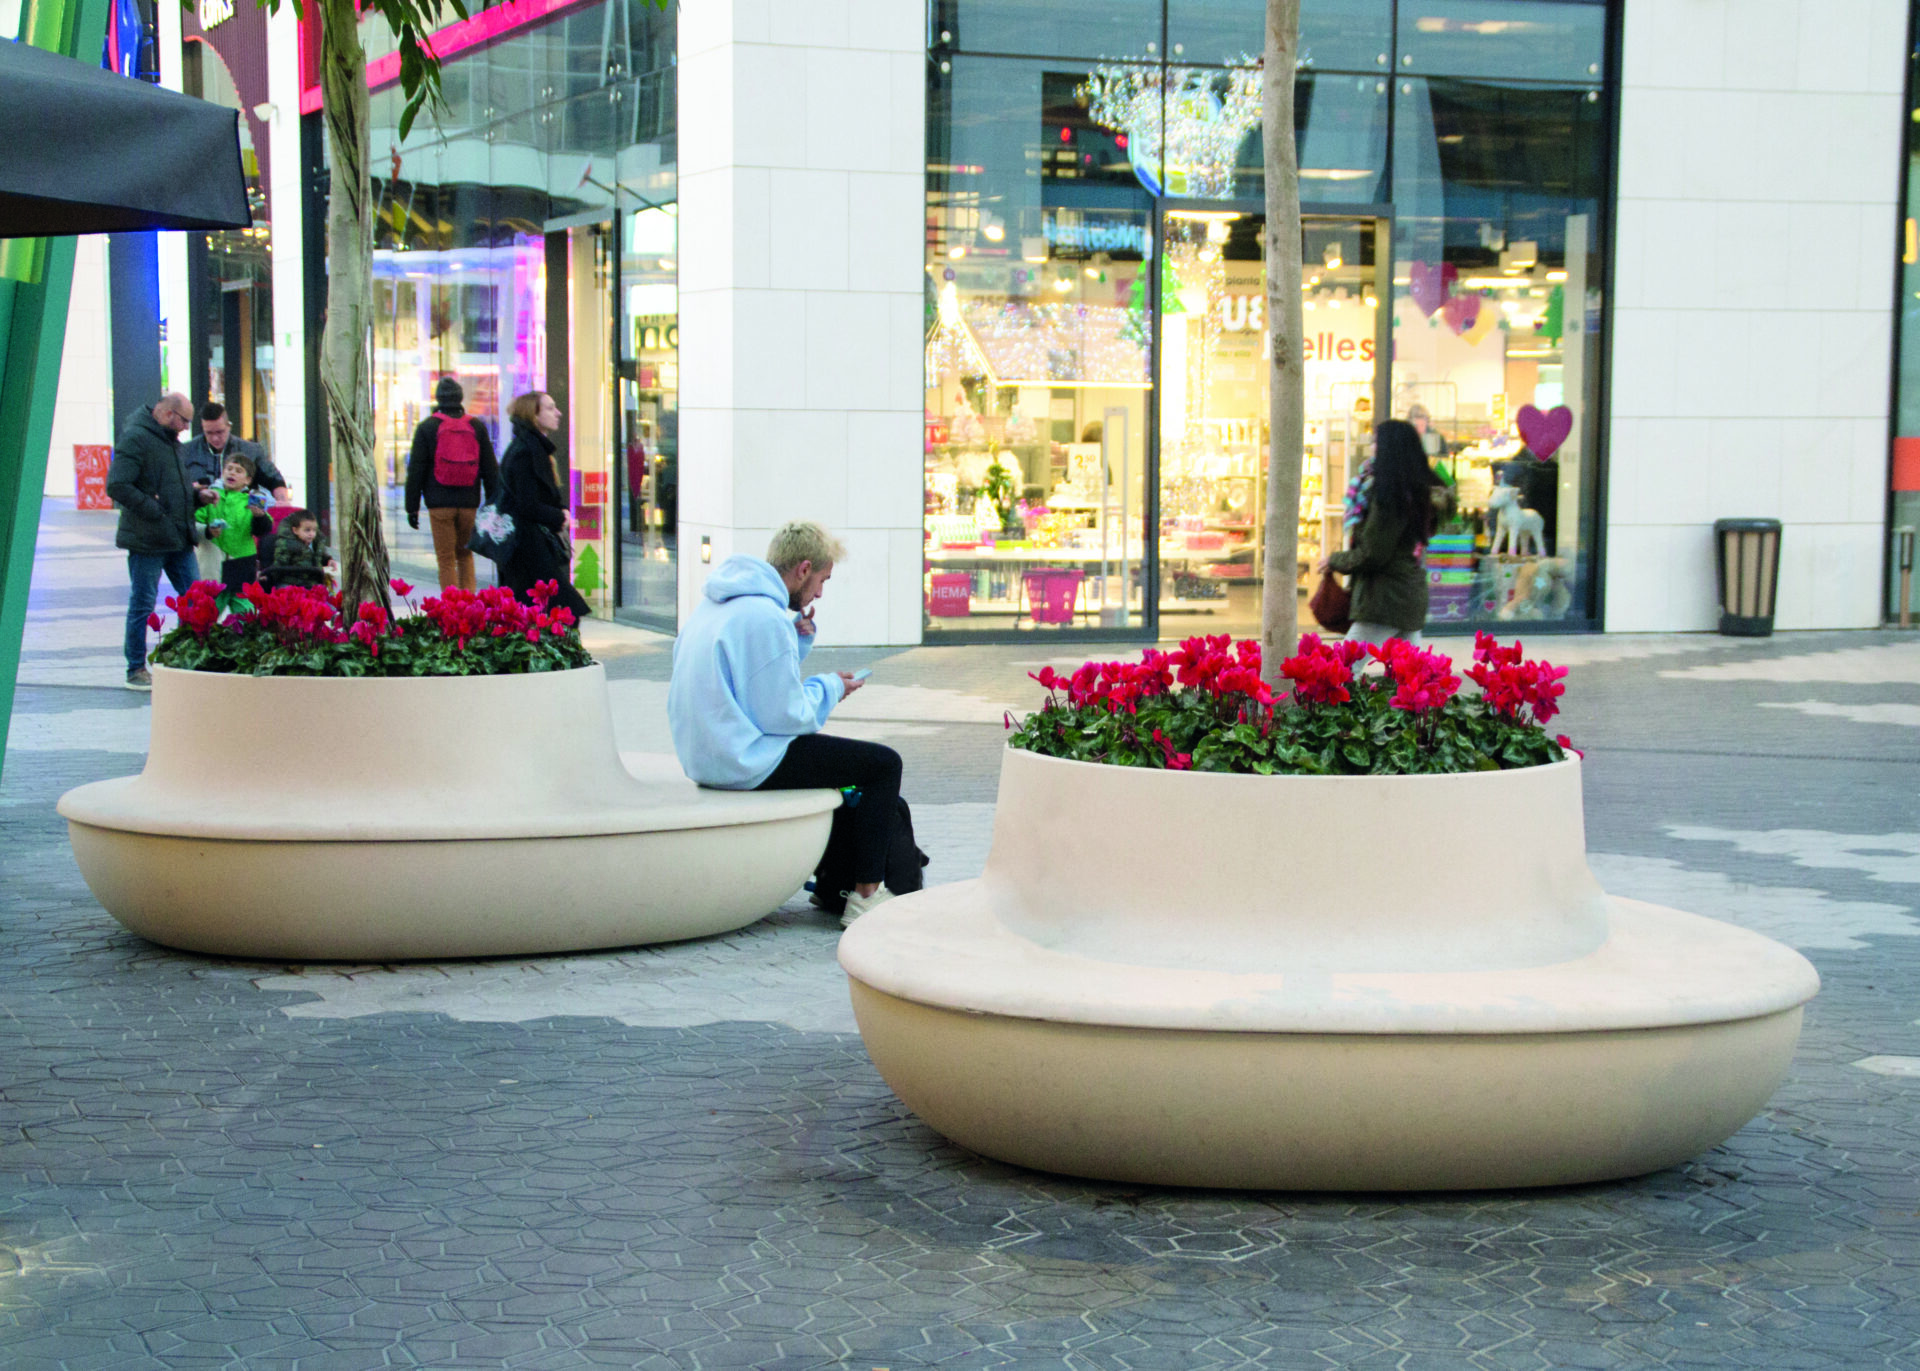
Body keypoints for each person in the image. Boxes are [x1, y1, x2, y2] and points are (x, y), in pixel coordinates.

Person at [667, 521, 916, 927]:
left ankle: (828, 884)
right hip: (744, 760)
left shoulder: (718, 605)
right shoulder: (764, 616)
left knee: (840, 768)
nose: (819, 592)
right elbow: (789, 716)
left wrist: (796, 643)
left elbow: (751, 688)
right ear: (803, 569)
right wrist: (832, 686)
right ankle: (866, 897)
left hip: (705, 756)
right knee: (883, 765)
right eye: (822, 580)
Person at [109, 392, 212, 690]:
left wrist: (196, 496)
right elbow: (116, 484)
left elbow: (170, 488)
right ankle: (136, 668)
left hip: (178, 538)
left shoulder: (170, 442)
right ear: (169, 414)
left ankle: (187, 657)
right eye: (184, 421)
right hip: (147, 540)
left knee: (195, 598)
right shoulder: (136, 438)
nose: (185, 428)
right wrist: (153, 509)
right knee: (142, 603)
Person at [1320, 419, 1442, 648]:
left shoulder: (1390, 496)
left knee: (1343, 667)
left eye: (1376, 441)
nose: (1372, 447)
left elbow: (1374, 552)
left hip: (1385, 600)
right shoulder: (1414, 490)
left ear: (1389, 447)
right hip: (1408, 593)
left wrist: (1335, 560)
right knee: (1410, 674)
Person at [497, 390, 588, 619]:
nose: (558, 413)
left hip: (527, 544)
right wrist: (560, 516)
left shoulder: (529, 447)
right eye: (550, 408)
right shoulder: (527, 452)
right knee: (566, 611)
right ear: (534, 416)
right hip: (527, 547)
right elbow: (527, 505)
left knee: (538, 613)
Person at [405, 376, 500, 593]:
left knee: (446, 559)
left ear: (438, 399)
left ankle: (451, 609)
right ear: (460, 398)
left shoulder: (427, 427)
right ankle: (469, 605)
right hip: (469, 502)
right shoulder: (476, 426)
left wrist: (412, 507)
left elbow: (416, 471)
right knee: (465, 554)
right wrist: (493, 501)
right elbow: (490, 468)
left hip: (439, 504)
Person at [194, 454, 272, 595]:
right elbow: (195, 523)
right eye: (229, 468)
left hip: (242, 562)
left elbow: (263, 530)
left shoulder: (251, 500)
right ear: (222, 473)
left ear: (247, 480)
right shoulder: (210, 496)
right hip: (214, 562)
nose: (232, 472)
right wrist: (208, 530)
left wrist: (259, 517)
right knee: (210, 608)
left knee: (245, 610)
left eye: (238, 471)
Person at [181, 402, 291, 502]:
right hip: (201, 516)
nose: (215, 438)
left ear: (229, 426)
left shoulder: (250, 450)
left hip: (242, 517)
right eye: (209, 433)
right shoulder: (186, 451)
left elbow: (274, 480)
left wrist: (283, 502)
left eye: (220, 432)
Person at [267, 508, 334, 590]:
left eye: (314, 530)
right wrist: (269, 577)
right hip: (291, 583)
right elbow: (279, 564)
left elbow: (318, 557)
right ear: (295, 530)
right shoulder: (287, 545)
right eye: (307, 530)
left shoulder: (315, 545)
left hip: (312, 582)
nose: (311, 534)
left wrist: (328, 560)